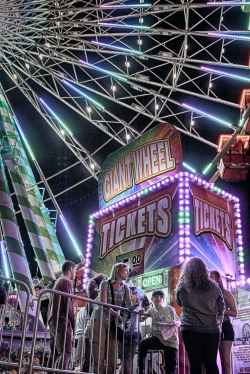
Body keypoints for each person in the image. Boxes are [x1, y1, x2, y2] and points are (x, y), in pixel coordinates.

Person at [176, 257, 225, 374]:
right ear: (204, 269)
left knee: (195, 364)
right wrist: (219, 320)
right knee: (211, 363)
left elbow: (179, 302)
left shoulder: (182, 287)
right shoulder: (214, 286)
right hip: (212, 330)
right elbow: (221, 307)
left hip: (190, 329)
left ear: (187, 270)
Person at [91, 262, 131, 374]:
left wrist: (130, 313)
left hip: (114, 321)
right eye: (125, 270)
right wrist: (117, 314)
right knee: (99, 349)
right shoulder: (105, 283)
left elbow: (128, 306)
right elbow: (103, 304)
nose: (127, 273)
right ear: (118, 271)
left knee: (112, 352)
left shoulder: (126, 288)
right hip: (101, 318)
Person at [138, 290, 178, 374]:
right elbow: (141, 319)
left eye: (160, 297)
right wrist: (140, 313)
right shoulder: (151, 310)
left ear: (163, 299)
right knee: (143, 344)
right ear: (152, 299)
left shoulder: (170, 309)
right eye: (155, 297)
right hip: (158, 339)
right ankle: (141, 369)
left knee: (170, 367)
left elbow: (177, 322)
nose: (157, 299)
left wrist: (171, 323)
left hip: (171, 341)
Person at [48, 261, 75, 371]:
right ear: (70, 270)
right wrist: (74, 324)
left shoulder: (57, 282)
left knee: (54, 354)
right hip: (61, 321)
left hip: (53, 321)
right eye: (74, 270)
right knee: (66, 351)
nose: (75, 273)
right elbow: (68, 306)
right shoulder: (66, 282)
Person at [210, 270, 237, 374]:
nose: (210, 279)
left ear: (218, 279)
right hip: (211, 328)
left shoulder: (226, 293)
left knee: (225, 361)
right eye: (209, 277)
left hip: (225, 327)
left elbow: (235, 312)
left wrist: (222, 310)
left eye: (212, 277)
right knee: (210, 361)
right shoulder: (207, 295)